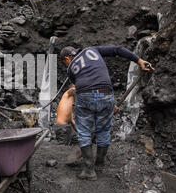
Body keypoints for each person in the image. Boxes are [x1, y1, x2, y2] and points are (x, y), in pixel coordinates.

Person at [60, 45, 154, 181]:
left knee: (84, 132)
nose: (66, 65)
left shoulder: (70, 69)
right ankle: (99, 164)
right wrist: (139, 60)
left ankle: (88, 170)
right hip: (107, 94)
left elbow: (80, 87)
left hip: (85, 96)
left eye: (64, 62)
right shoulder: (91, 50)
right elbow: (118, 50)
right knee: (103, 130)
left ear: (68, 58)